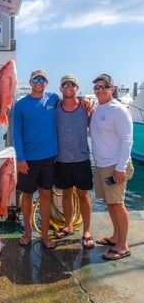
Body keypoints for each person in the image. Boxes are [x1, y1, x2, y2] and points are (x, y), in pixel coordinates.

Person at [12, 69, 59, 249]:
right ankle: (28, 232)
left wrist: (85, 102)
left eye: (42, 79)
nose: (39, 82)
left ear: (46, 82)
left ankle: (45, 234)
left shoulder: (53, 99)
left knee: (46, 194)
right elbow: (16, 134)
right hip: (28, 161)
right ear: (30, 82)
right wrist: (20, 158)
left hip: (48, 159)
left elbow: (70, 101)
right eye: (35, 79)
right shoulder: (20, 105)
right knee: (27, 196)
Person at [89, 73, 134, 260]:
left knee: (117, 203)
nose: (100, 90)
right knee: (110, 204)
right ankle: (116, 236)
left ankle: (123, 245)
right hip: (101, 164)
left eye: (103, 87)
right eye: (97, 87)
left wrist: (121, 167)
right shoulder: (98, 109)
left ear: (112, 89)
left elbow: (127, 139)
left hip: (115, 165)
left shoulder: (119, 110)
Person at [55, 74, 95, 249]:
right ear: (61, 88)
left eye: (72, 84)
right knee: (66, 195)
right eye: (65, 84)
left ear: (77, 88)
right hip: (62, 160)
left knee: (83, 195)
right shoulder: (56, 107)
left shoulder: (85, 107)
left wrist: (85, 100)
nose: (68, 87)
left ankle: (87, 231)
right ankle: (68, 225)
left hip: (82, 159)